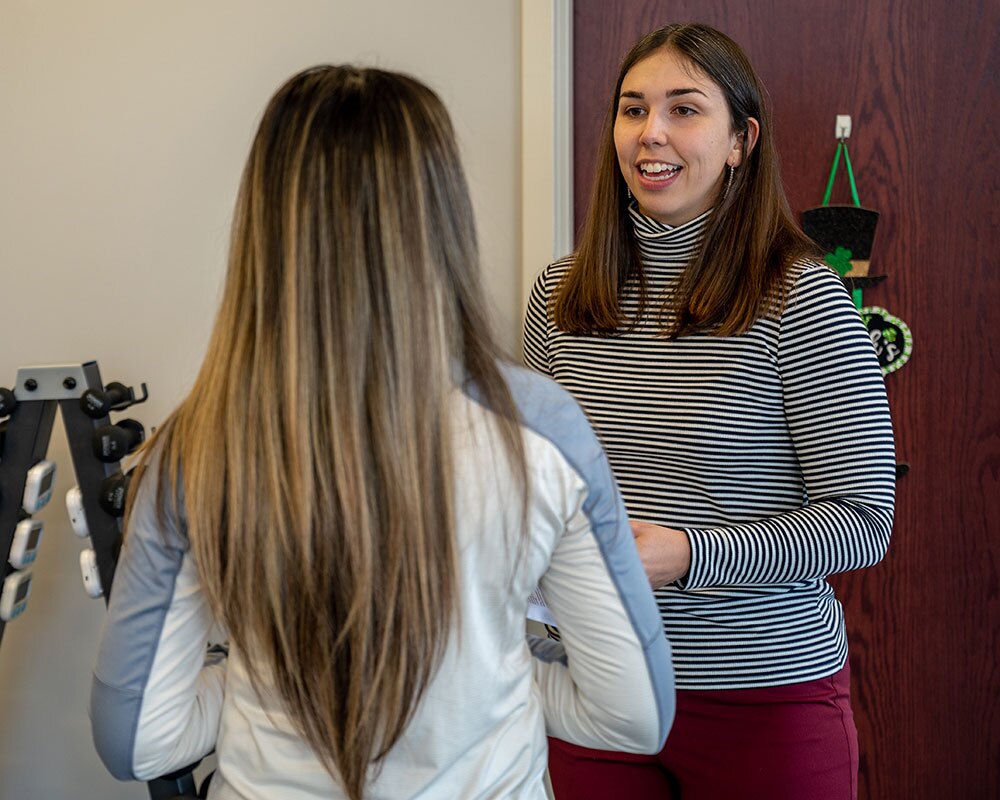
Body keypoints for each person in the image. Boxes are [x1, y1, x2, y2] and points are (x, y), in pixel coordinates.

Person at [89, 65, 675, 800]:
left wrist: (251, 690)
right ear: (443, 216)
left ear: (268, 225)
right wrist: (497, 671)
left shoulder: (194, 447)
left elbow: (135, 738)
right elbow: (633, 716)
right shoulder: (541, 427)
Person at [523, 23, 895, 800]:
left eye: (684, 109)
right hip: (594, 690)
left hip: (762, 699)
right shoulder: (557, 297)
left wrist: (688, 555)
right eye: (632, 109)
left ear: (740, 140)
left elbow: (863, 519)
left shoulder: (803, 299)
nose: (650, 133)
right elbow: (527, 486)